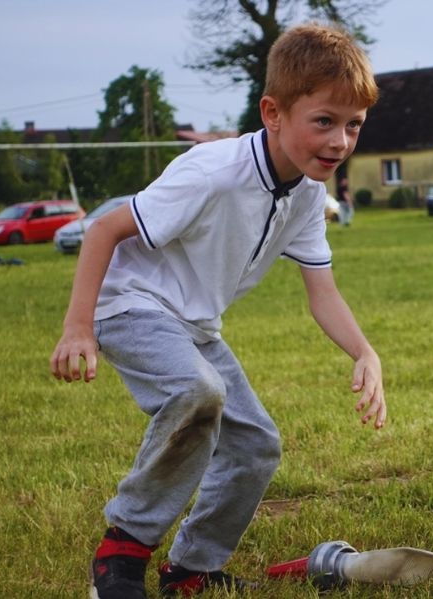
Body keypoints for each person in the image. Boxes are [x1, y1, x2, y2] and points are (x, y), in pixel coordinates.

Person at [49, 23, 387, 599]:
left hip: (197, 326)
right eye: (324, 121)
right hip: (130, 304)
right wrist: (78, 327)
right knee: (198, 391)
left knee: (257, 446)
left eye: (352, 125)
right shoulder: (213, 172)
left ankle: (190, 570)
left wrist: (365, 351)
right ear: (273, 112)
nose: (339, 141)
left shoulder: (306, 192)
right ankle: (122, 552)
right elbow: (104, 228)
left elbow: (321, 290)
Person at [335, 162, 355, 226]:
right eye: (345, 181)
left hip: (340, 202)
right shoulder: (344, 188)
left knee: (342, 213)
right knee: (350, 212)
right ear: (343, 181)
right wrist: (349, 202)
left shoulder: (338, 188)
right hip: (345, 202)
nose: (347, 182)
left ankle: (342, 223)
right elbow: (345, 195)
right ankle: (347, 222)